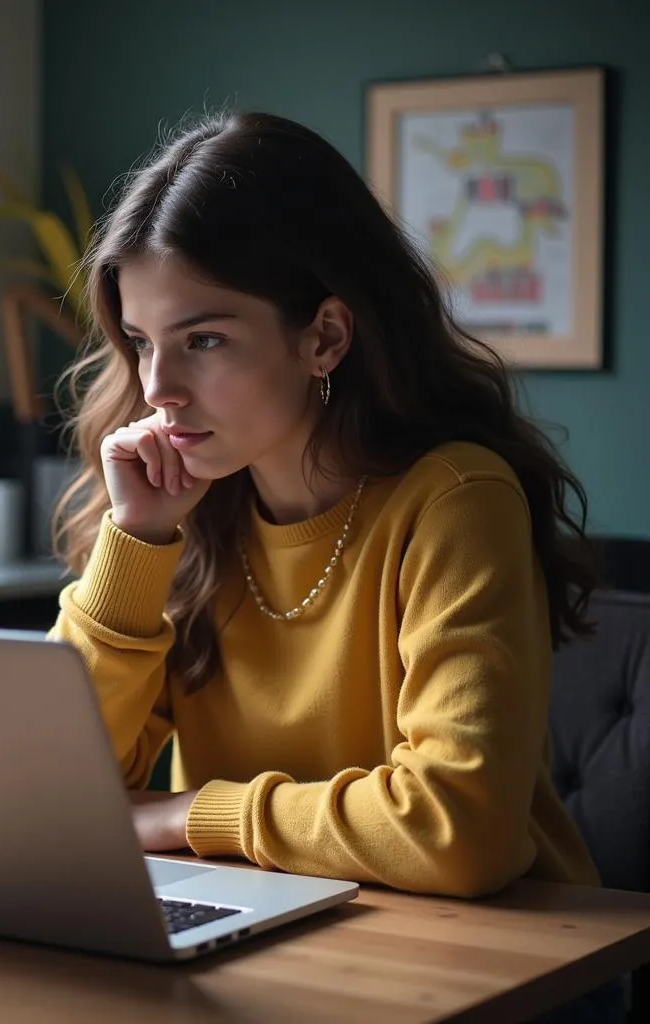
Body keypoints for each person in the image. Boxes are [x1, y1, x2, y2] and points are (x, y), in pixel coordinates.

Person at [50, 110, 600, 902]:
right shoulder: (184, 514)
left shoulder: (454, 500)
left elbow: (458, 831)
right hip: (261, 925)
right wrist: (135, 539)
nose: (157, 388)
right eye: (141, 341)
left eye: (202, 340)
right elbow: (53, 785)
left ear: (326, 337)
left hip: (509, 959)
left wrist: (190, 816)